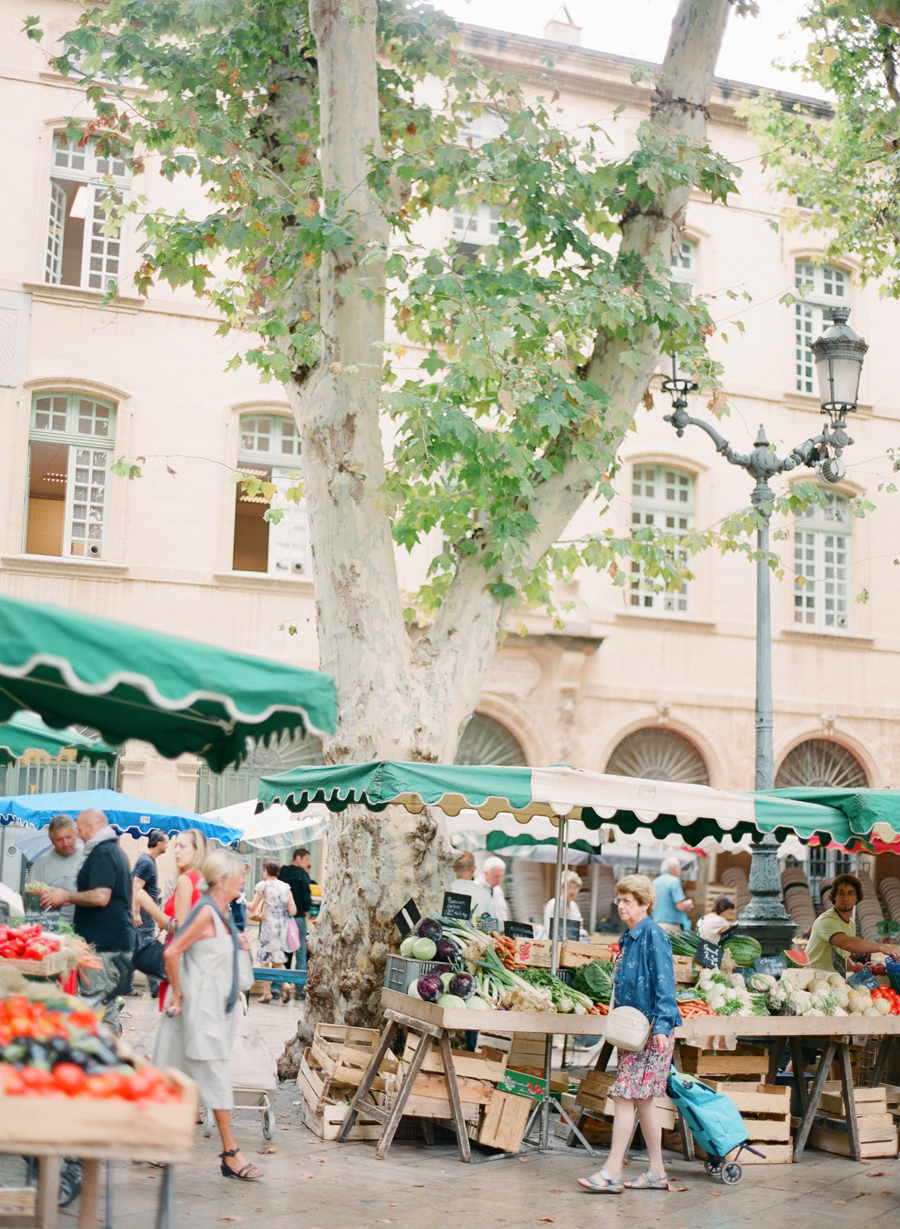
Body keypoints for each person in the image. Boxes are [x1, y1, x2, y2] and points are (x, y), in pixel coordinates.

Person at [154, 848, 263, 1182]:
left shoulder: (221, 910)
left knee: (174, 1072)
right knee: (215, 1077)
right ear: (223, 880)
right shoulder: (206, 912)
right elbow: (172, 951)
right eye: (240, 875)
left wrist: (237, 942)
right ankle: (230, 1152)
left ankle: (158, 1144)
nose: (244, 880)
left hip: (213, 1009)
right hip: (199, 1009)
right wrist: (181, 994)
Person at [578, 874, 681, 1194]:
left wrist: (663, 1027)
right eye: (619, 899)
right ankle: (656, 1171)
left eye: (627, 901)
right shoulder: (630, 937)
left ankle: (611, 1172)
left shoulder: (653, 936)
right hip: (633, 1032)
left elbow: (666, 985)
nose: (620, 905)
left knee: (624, 1097)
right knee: (644, 1102)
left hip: (651, 1032)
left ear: (645, 904)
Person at [40, 808, 134, 1033]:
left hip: (104, 945)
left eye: (79, 831)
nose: (79, 836)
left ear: (91, 828)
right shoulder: (112, 850)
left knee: (100, 1010)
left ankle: (106, 1058)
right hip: (110, 942)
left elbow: (101, 897)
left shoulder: (102, 852)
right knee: (103, 1006)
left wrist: (67, 896)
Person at [134, 828, 207, 1012]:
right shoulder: (202, 879)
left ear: (197, 850)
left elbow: (180, 928)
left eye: (182, 846)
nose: (176, 851)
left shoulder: (186, 880)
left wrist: (149, 905)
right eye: (175, 846)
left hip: (180, 962)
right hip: (196, 961)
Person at [806, 873, 900, 975]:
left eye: (850, 894)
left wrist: (857, 968)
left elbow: (843, 957)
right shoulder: (827, 920)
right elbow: (847, 943)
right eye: (841, 893)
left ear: (857, 898)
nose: (845, 898)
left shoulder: (851, 923)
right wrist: (882, 947)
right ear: (834, 897)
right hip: (813, 977)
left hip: (832, 979)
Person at [248, 860, 296, 1004]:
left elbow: (253, 906)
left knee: (264, 959)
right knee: (277, 958)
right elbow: (293, 910)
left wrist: (244, 902)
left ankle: (266, 992)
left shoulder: (263, 885)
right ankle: (285, 983)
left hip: (267, 926)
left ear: (265, 871)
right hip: (281, 928)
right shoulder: (286, 887)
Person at [131, 829, 169, 998]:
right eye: (166, 842)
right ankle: (154, 987)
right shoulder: (147, 862)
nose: (168, 845)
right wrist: (136, 912)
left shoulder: (147, 860)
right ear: (159, 843)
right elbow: (136, 887)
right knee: (147, 947)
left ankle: (125, 983)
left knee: (137, 948)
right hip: (144, 915)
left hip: (145, 913)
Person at [30, 814, 84, 925]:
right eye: (59, 839)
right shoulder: (41, 863)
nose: (65, 844)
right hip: (53, 926)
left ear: (76, 834)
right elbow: (31, 899)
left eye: (69, 837)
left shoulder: (89, 856)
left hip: (86, 925)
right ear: (51, 840)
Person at [279, 847, 312, 995]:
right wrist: (306, 910)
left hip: (282, 918)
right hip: (298, 918)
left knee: (283, 953)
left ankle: (279, 986)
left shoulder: (282, 873)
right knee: (301, 953)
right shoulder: (303, 875)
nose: (308, 863)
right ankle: (300, 989)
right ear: (298, 858)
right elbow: (306, 895)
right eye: (307, 860)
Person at [651, 856, 693, 933]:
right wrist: (689, 903)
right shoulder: (674, 881)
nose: (680, 871)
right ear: (674, 869)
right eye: (679, 868)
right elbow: (680, 906)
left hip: (656, 924)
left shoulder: (655, 882)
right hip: (671, 926)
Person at [448, 851, 494, 918]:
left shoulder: (446, 891)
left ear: (454, 868)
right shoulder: (485, 894)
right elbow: (490, 925)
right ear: (473, 869)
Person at [542, 871, 584, 939]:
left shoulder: (574, 905)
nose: (572, 891)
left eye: (575, 888)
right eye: (569, 887)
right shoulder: (554, 904)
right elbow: (549, 929)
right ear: (562, 888)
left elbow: (579, 927)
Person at [475, 856, 509, 925]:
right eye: (496, 876)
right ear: (486, 874)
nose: (499, 879)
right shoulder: (475, 889)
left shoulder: (497, 889)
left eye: (501, 875)